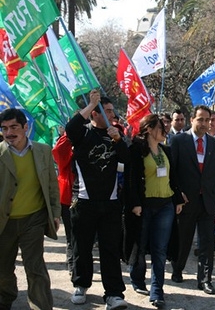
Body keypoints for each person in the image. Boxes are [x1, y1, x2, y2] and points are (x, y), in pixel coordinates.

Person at [66, 91, 130, 309]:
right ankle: (81, 285)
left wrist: (118, 140)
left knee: (110, 249)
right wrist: (91, 103)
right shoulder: (83, 134)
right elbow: (70, 129)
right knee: (81, 247)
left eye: (112, 111)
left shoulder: (115, 134)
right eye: (107, 110)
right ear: (95, 113)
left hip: (110, 203)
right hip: (84, 200)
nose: (112, 114)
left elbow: (128, 159)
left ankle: (113, 293)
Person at [0, 108, 61, 310]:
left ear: (26, 127)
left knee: (35, 268)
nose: (9, 133)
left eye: (14, 127)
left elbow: (52, 184)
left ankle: (41, 306)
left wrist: (55, 212)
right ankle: (5, 299)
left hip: (33, 220)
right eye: (4, 128)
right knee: (3, 270)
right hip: (4, 222)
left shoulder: (43, 151)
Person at [122, 114, 179, 308]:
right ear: (149, 129)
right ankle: (137, 279)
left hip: (165, 205)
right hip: (145, 205)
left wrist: (177, 199)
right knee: (140, 245)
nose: (165, 131)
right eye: (161, 128)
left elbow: (173, 177)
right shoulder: (136, 150)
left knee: (159, 250)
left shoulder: (166, 150)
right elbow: (131, 180)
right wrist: (135, 203)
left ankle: (157, 291)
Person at [169, 105, 215, 295]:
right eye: (200, 119)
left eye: (207, 120)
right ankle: (177, 270)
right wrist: (178, 194)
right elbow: (173, 172)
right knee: (184, 239)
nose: (204, 124)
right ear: (192, 120)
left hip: (208, 201)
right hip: (186, 201)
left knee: (207, 242)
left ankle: (205, 280)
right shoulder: (178, 141)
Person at [52, 130, 76, 274]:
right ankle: (73, 263)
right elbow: (58, 152)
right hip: (68, 197)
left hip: (89, 196)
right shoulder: (66, 147)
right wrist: (69, 134)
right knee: (71, 234)